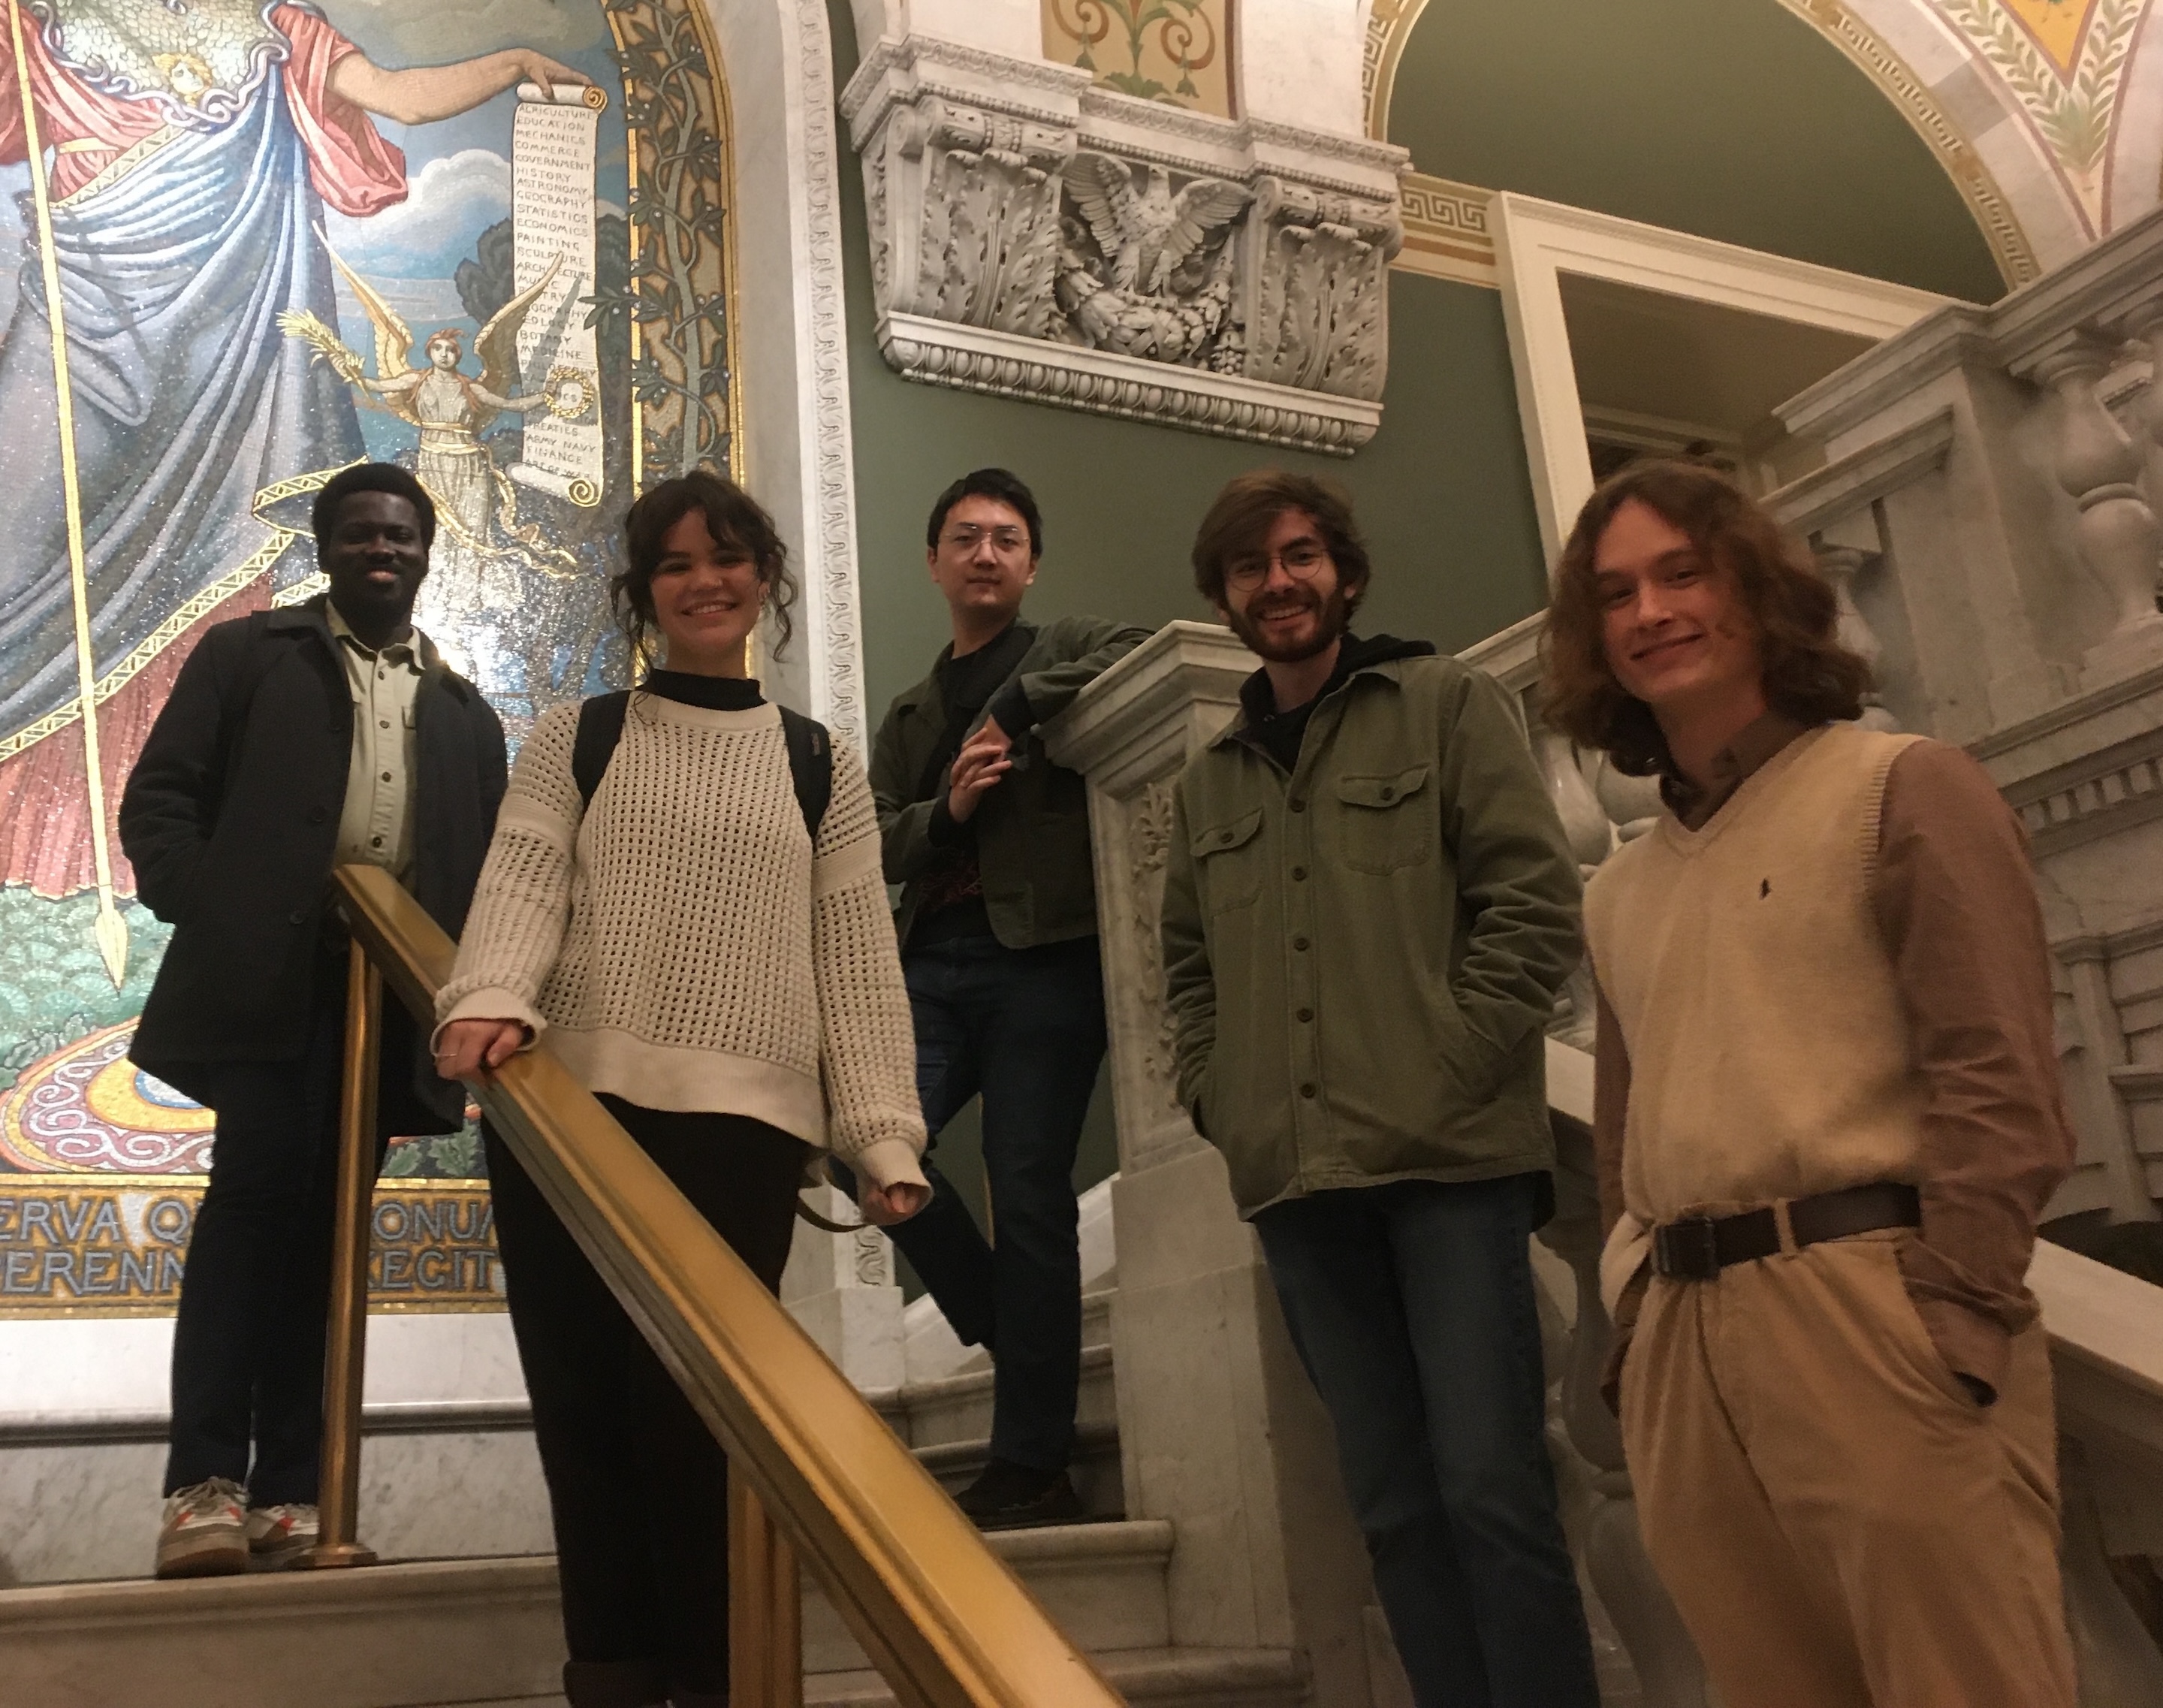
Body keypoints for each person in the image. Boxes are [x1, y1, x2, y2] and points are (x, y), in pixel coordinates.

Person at [1544, 459, 2077, 1708]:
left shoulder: (1903, 786)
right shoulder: (1620, 890)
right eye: (1616, 593)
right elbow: (1624, 1141)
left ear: (1760, 590)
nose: (1650, 611)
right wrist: (1635, 1328)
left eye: (1683, 572)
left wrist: (1953, 1313)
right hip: (1685, 1349)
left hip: (1872, 1312)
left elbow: (1998, 1076)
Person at [433, 470, 929, 1708]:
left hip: (743, 1130)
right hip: (570, 1116)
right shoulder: (579, 733)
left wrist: (883, 1134)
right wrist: (487, 992)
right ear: (643, 592)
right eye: (675, 563)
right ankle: (609, 1676)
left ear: (765, 575)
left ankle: (715, 1679)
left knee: (698, 1423)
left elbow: (856, 951)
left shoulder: (820, 761)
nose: (705, 580)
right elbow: (527, 876)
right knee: (585, 1417)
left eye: (728, 557)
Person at [1160, 470, 1600, 1707]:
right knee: (1396, 1505)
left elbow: (1536, 898)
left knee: (1492, 1488)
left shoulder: (1446, 705)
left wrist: (1455, 1058)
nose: (1277, 582)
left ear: (1343, 573)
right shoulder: (1210, 780)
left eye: (1298, 555)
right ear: (1226, 596)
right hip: (1298, 1183)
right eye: (1250, 567)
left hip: (1453, 1169)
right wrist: (1220, 1095)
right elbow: (1185, 971)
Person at [119, 463, 507, 1577]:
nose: (381, 548)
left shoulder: (466, 714)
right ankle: (202, 1487)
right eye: (358, 532)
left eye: (400, 534)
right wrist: (222, 905)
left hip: (384, 1002)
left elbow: (480, 874)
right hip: (269, 987)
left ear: (428, 553)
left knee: (330, 1242)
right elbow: (161, 801)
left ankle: (293, 1492)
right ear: (327, 546)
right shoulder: (251, 656)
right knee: (250, 1216)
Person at [862, 467, 1149, 1530]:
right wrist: (948, 807)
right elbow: (875, 838)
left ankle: (1034, 1460)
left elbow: (1145, 654)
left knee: (1028, 1190)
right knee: (871, 1144)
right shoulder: (907, 712)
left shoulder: (1060, 647)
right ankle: (1007, 1328)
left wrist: (1021, 700)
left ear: (1030, 564)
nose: (987, 552)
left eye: (1008, 538)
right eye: (967, 536)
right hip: (930, 961)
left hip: (1044, 962)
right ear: (935, 560)